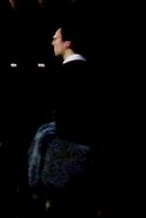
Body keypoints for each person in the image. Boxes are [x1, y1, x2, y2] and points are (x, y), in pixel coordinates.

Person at [27, 24, 98, 217]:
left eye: (56, 38)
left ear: (68, 43)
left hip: (65, 150)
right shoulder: (91, 71)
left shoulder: (63, 75)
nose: (52, 41)